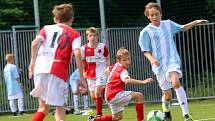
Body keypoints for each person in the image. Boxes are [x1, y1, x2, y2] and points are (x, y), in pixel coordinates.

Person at [138, 2, 209, 121]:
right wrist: (152, 59)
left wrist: (196, 22)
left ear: (160, 13)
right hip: (159, 66)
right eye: (152, 15)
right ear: (148, 16)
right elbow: (145, 50)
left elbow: (183, 28)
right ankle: (166, 109)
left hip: (172, 61)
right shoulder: (146, 31)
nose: (155, 17)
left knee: (176, 82)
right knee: (168, 95)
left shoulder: (168, 24)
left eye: (157, 14)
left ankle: (186, 115)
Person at [28, 3, 87, 121]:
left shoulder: (46, 28)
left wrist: (32, 65)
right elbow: (77, 53)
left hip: (40, 69)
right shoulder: (74, 34)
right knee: (60, 111)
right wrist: (81, 77)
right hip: (57, 71)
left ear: (55, 19)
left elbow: (34, 43)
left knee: (43, 108)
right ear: (72, 19)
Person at [88, 48, 154, 121]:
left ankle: (94, 120)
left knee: (117, 117)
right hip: (114, 95)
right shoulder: (122, 71)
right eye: (124, 60)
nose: (127, 62)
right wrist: (143, 82)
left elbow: (106, 70)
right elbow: (127, 81)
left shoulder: (116, 65)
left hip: (109, 95)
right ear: (119, 61)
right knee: (139, 96)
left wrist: (110, 81)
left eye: (128, 59)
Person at [81, 27, 110, 117]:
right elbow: (81, 61)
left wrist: (107, 68)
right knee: (94, 96)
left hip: (101, 73)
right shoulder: (83, 48)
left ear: (97, 36)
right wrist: (83, 72)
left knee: (97, 93)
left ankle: (99, 115)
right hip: (90, 75)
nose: (92, 37)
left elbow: (107, 57)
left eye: (94, 35)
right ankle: (107, 91)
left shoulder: (102, 46)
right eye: (90, 36)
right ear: (87, 37)